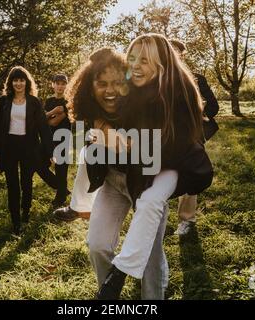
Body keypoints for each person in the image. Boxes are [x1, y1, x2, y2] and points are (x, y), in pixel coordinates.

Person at [91, 34, 213, 299]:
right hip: (115, 178)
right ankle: (108, 293)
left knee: (150, 248)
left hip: (156, 175)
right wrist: (101, 126)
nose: (135, 65)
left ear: (161, 64)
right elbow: (90, 108)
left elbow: (171, 149)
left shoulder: (180, 95)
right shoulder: (123, 88)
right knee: (98, 245)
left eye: (144, 60)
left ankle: (146, 294)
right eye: (132, 58)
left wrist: (129, 145)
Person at [0, 66, 56, 236]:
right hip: (9, 147)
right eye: (15, 80)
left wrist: (50, 152)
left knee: (26, 182)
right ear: (11, 82)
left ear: (27, 82)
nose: (18, 83)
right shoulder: (4, 101)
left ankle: (25, 212)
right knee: (12, 184)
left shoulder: (34, 102)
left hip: (29, 147)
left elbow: (44, 129)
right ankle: (16, 221)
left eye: (22, 80)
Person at [170, 39, 219, 236]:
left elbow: (213, 107)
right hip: (165, 135)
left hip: (191, 135)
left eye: (176, 51)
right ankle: (157, 217)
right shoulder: (156, 79)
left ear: (182, 54)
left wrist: (194, 113)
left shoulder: (197, 79)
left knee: (190, 174)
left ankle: (187, 220)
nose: (173, 54)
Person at [44, 74, 72, 207]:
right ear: (53, 84)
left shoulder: (69, 101)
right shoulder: (49, 101)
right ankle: (61, 188)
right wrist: (54, 111)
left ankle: (60, 198)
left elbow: (54, 122)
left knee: (61, 167)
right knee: (39, 163)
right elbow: (43, 120)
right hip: (48, 138)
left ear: (66, 85)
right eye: (58, 83)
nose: (60, 86)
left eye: (63, 83)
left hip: (63, 137)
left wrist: (49, 116)